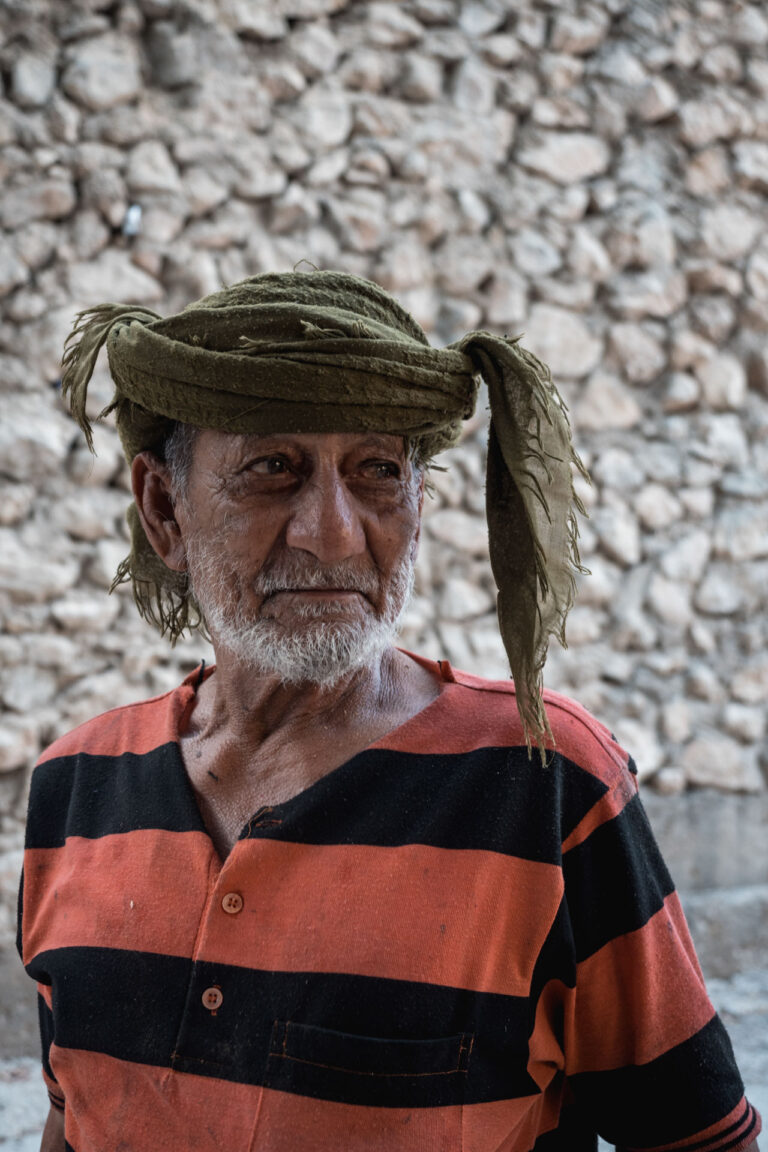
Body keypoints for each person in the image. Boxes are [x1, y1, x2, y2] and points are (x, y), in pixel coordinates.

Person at [18, 271, 761, 1152]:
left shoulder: (547, 783)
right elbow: (75, 1120)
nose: (332, 532)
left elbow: (696, 1140)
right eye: (272, 468)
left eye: (377, 470)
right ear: (163, 511)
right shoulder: (76, 787)